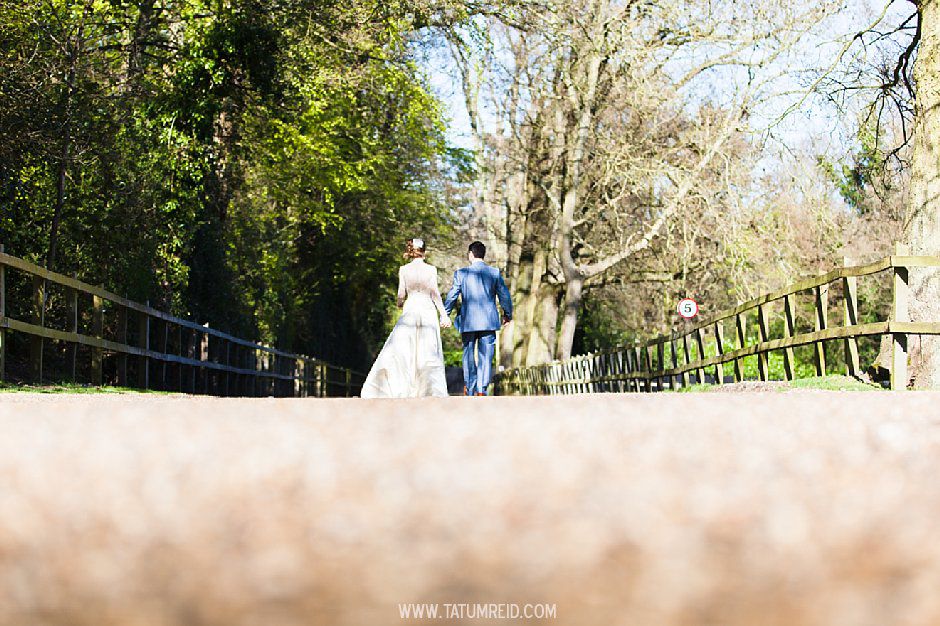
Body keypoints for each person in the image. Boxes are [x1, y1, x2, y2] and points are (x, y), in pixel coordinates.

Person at [361, 238, 451, 398]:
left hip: (411, 308)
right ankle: (428, 390)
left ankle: (401, 387)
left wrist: (400, 304)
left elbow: (401, 294)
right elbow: (435, 293)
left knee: (403, 349)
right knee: (427, 349)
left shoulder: (404, 269)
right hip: (427, 309)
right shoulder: (431, 269)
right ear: (424, 251)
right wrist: (443, 314)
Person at [444, 241, 513, 396]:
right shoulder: (494, 273)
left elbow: (452, 295)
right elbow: (504, 295)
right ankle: (482, 389)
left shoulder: (461, 274)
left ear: (470, 254)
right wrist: (507, 314)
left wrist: (445, 313)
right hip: (488, 321)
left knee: (468, 354)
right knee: (486, 356)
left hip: (468, 321)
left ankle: (469, 388)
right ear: (483, 254)